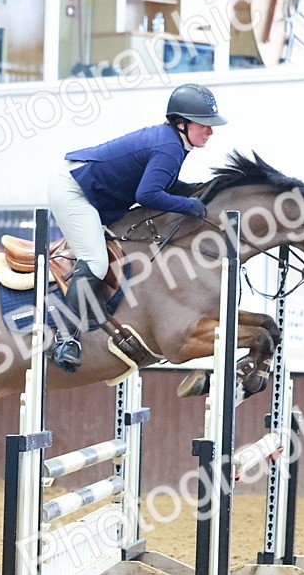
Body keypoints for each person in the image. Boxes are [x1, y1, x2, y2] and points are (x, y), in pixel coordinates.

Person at [46, 82, 227, 372]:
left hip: (86, 187)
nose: (210, 131)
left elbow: (164, 185)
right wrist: (188, 206)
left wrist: (196, 191)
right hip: (72, 189)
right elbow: (147, 195)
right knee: (94, 260)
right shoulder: (169, 147)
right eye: (204, 124)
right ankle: (65, 339)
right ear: (182, 124)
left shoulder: (173, 144)